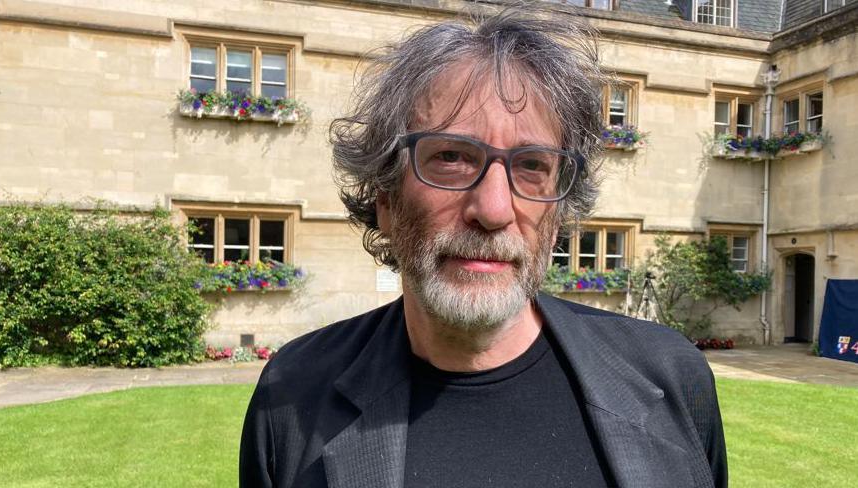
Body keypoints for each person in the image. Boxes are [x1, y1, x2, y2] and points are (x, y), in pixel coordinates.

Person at [240, 6, 727, 488]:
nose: (494, 210)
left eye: (532, 165)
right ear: (386, 200)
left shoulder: (672, 376)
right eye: (450, 157)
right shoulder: (295, 393)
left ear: (558, 215)